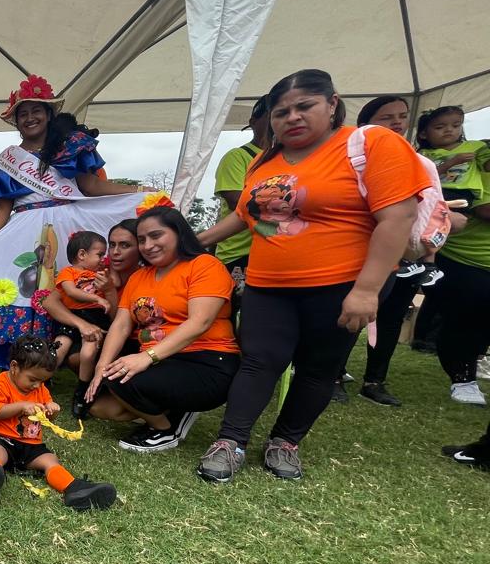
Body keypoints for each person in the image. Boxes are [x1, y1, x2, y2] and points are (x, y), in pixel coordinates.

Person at [194, 69, 428, 483]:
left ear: (332, 103)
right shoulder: (266, 160)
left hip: (342, 284)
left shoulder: (370, 144)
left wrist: (367, 290)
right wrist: (193, 242)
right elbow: (246, 214)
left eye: (304, 106)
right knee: (258, 361)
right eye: (281, 112)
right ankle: (230, 441)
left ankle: (285, 441)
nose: (292, 118)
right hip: (267, 283)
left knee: (318, 367)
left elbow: (398, 216)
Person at [0, 75, 140, 368]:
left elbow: (91, 186)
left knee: (67, 282)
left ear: (49, 114)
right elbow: (3, 209)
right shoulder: (10, 159)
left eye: (36, 111)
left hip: (68, 226)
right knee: (22, 285)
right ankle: (29, 357)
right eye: (23, 114)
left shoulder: (71, 146)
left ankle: (69, 350)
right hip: (25, 228)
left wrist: (136, 191)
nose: (30, 118)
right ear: (16, 121)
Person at [86, 208, 240, 453]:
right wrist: (100, 367)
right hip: (162, 362)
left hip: (207, 360)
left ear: (179, 233)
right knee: (100, 407)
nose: (148, 245)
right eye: (142, 239)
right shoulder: (140, 276)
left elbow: (199, 322)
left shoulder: (204, 265)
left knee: (123, 380)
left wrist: (146, 357)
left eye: (156, 236)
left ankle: (165, 430)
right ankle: (176, 405)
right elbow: (121, 325)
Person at [350, 96, 437, 406]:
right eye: (387, 118)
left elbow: (429, 206)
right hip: (362, 253)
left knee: (391, 317)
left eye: (402, 116)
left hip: (405, 256)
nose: (397, 122)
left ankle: (374, 380)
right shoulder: (353, 161)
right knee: (350, 316)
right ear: (365, 126)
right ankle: (332, 374)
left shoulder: (420, 162)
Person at [0, 335, 117, 510]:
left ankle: (73, 489)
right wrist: (22, 406)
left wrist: (52, 410)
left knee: (50, 460)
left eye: (42, 381)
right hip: (3, 439)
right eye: (33, 379)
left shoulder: (40, 389)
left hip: (31, 445)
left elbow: (48, 418)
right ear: (14, 367)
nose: (37, 385)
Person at [418, 106, 490, 406]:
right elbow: (483, 210)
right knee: (465, 317)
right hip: (463, 256)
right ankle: (463, 377)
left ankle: (471, 366)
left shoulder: (477, 152)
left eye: (456, 125)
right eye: (441, 126)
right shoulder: (434, 158)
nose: (449, 131)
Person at [40, 229, 111, 415]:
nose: (103, 259)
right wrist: (97, 298)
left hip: (96, 319)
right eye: (100, 254)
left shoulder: (101, 274)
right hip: (74, 317)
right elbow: (71, 292)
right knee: (58, 348)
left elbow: (115, 284)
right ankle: (40, 381)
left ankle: (82, 390)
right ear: (82, 254)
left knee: (88, 354)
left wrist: (109, 282)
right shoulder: (68, 272)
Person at [212, 98, 270, 304]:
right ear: (253, 122)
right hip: (237, 255)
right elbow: (238, 203)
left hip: (270, 253)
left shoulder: (285, 158)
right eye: (270, 115)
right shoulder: (238, 157)